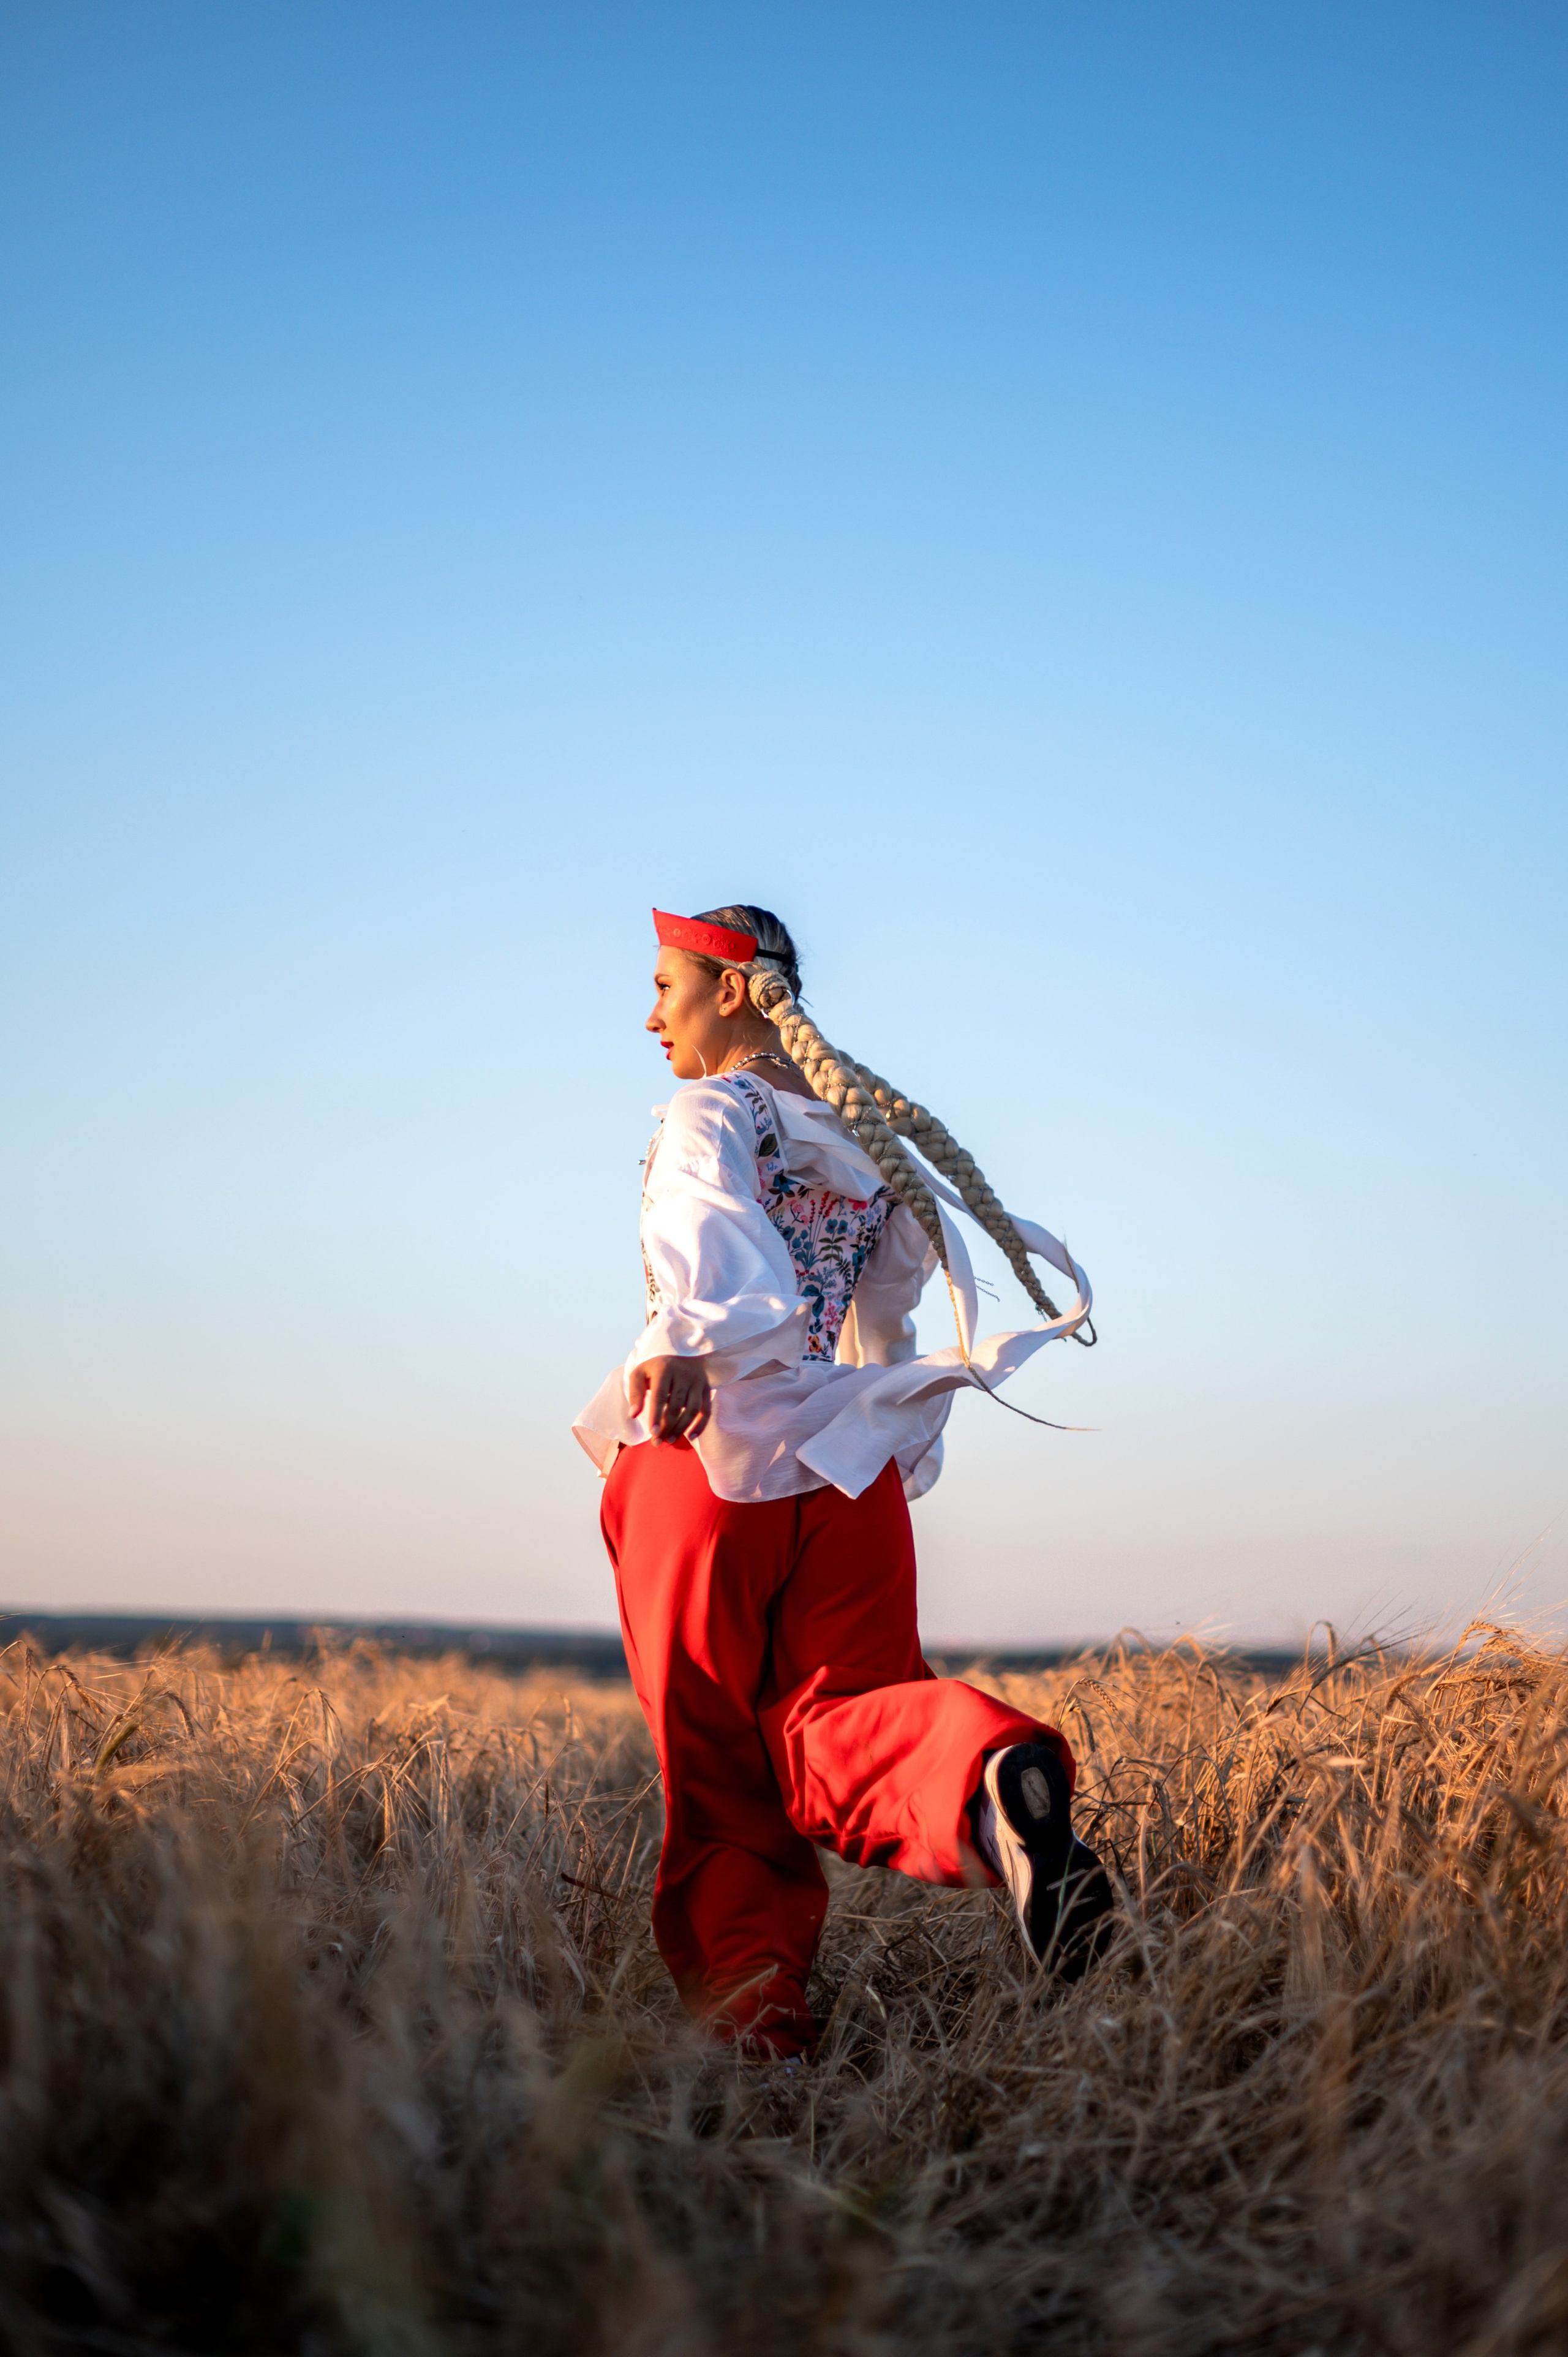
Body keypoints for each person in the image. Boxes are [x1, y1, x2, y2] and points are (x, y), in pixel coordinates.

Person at [573, 904, 1113, 2057]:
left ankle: (755, 2029)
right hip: (845, 1465)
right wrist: (874, 1432)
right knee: (845, 1717)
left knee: (718, 1771)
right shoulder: (864, 1135)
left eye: (665, 988)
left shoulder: (710, 1109)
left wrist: (683, 1337)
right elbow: (885, 1312)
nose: (650, 1014)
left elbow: (704, 1230)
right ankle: (981, 1774)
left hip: (707, 1455)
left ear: (729, 988)